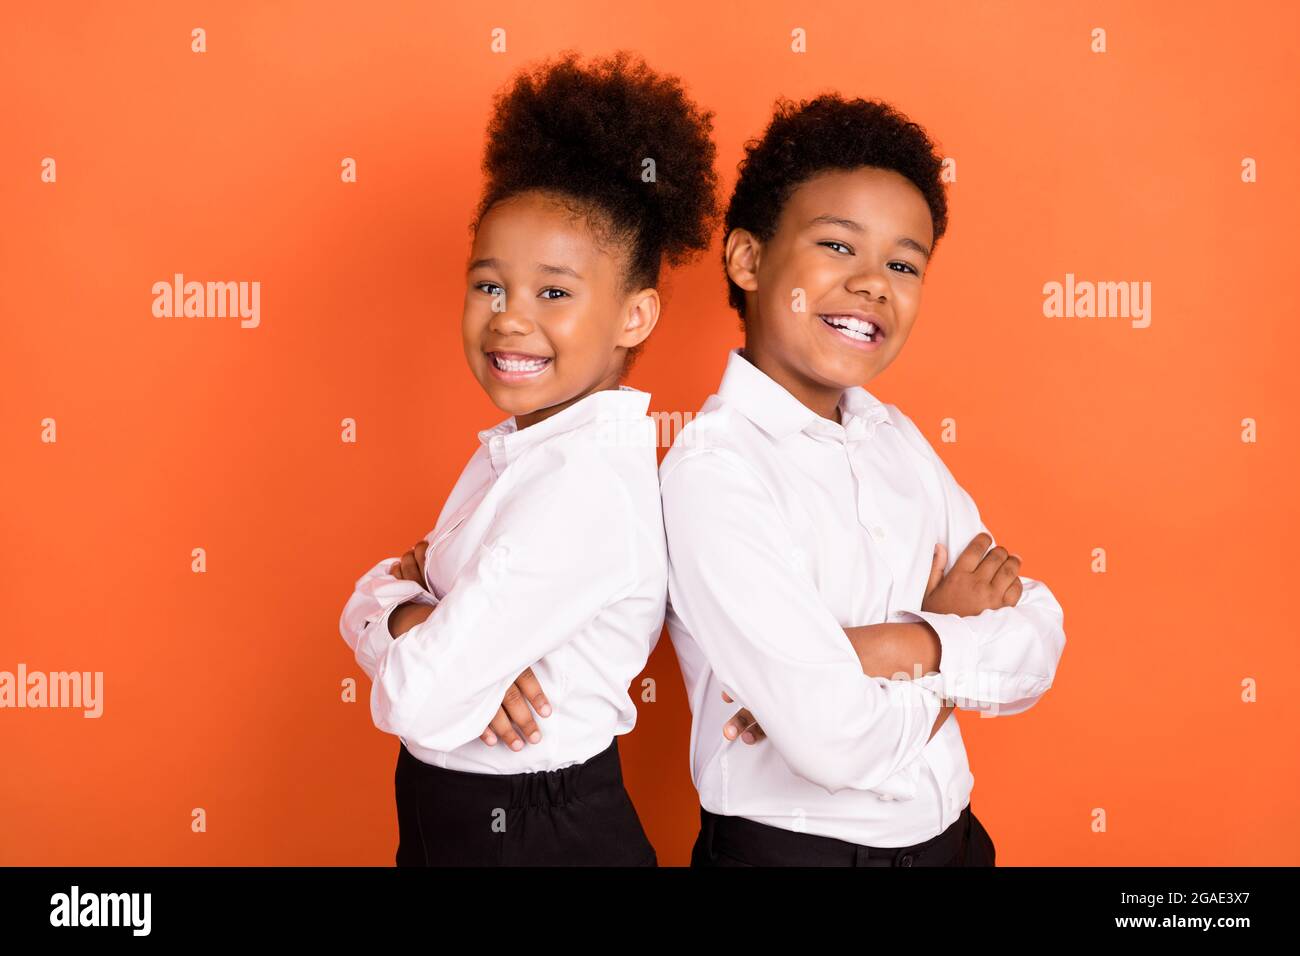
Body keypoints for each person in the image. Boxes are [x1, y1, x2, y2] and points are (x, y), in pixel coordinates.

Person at [659, 94, 1067, 866]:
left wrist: (880, 649)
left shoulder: (896, 440)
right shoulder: (714, 472)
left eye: (904, 263)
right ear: (748, 260)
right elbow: (832, 743)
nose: (876, 283)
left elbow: (1039, 638)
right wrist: (955, 644)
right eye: (839, 247)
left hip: (955, 843)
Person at [339, 50, 720, 866]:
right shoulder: (526, 454)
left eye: (554, 292)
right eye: (489, 286)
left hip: (536, 831)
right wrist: (412, 615)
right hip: (458, 814)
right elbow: (374, 596)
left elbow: (416, 695)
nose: (509, 319)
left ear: (635, 315)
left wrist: (416, 618)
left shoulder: (580, 489)